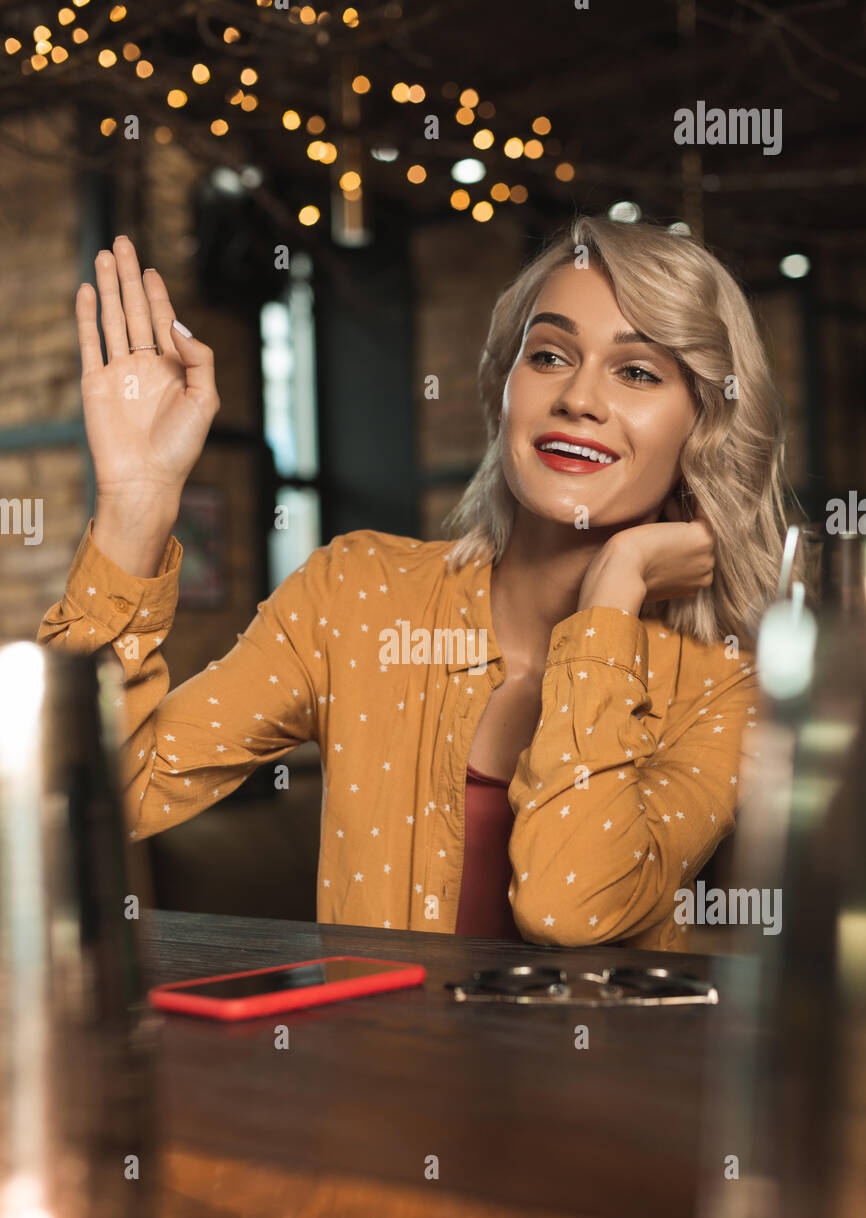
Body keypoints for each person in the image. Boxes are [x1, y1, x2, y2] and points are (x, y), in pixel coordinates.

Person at [37, 216, 803, 950]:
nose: (578, 398)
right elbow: (103, 796)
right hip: (368, 1083)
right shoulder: (357, 593)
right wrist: (136, 505)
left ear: (704, 426)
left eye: (637, 372)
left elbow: (569, 908)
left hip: (605, 1084)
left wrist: (613, 593)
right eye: (548, 356)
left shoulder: (722, 684)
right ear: (505, 391)